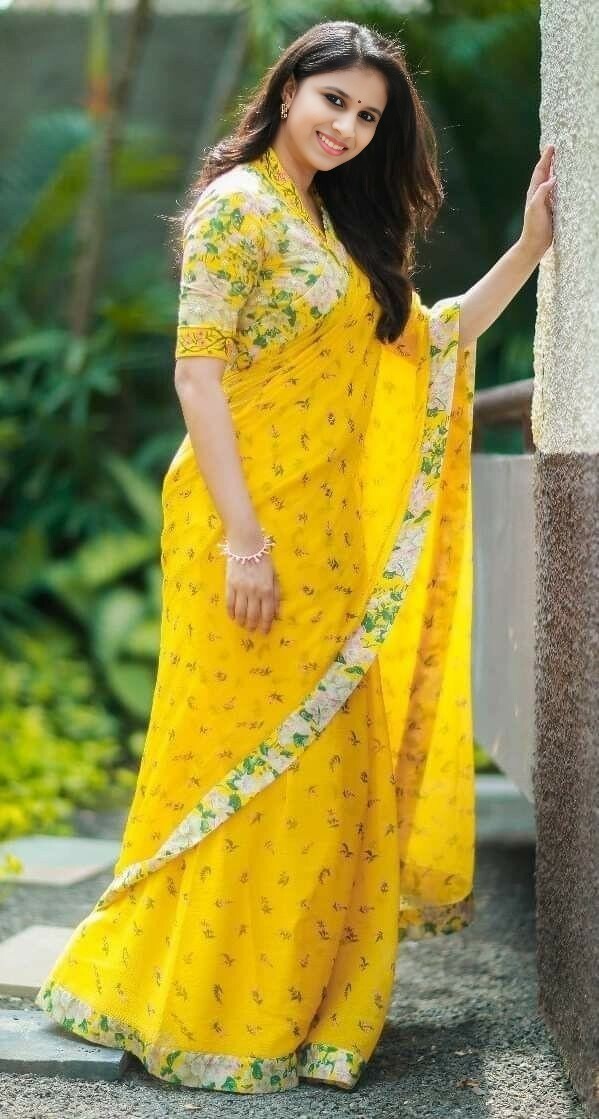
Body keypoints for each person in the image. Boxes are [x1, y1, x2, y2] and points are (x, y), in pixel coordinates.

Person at [35, 19, 555, 1095]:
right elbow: (198, 377)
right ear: (286, 93)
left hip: (325, 540)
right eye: (333, 101)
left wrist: (528, 249)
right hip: (241, 531)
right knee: (239, 763)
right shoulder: (238, 209)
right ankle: (211, 1007)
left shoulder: (330, 229)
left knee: (328, 773)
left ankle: (299, 1005)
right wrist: (244, 541)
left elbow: (434, 341)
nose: (347, 127)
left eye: (366, 116)